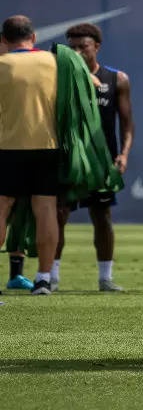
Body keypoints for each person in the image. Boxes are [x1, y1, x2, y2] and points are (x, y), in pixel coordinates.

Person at [53, 23, 132, 292]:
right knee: (58, 216)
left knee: (102, 217)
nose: (76, 52)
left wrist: (123, 154)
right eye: (72, 47)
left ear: (96, 47)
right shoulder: (58, 80)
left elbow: (127, 124)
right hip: (69, 161)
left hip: (102, 163)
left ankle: (105, 278)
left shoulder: (116, 79)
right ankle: (50, 277)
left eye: (82, 47)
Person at [0, 16, 62, 295]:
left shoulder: (2, 64)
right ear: (33, 37)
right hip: (47, 146)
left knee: (1, 208)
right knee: (46, 209)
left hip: (7, 147)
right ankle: (44, 279)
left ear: (4, 41)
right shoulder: (56, 62)